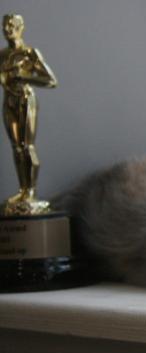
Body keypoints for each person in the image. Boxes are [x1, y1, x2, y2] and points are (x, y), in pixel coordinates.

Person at [0, 14, 57, 215]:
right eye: (4, 25)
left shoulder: (29, 53)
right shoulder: (2, 54)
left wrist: (23, 76)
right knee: (16, 147)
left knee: (27, 146)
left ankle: (31, 192)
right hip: (9, 101)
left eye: (12, 25)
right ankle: (22, 190)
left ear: (20, 28)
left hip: (25, 101)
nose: (7, 28)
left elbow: (50, 80)